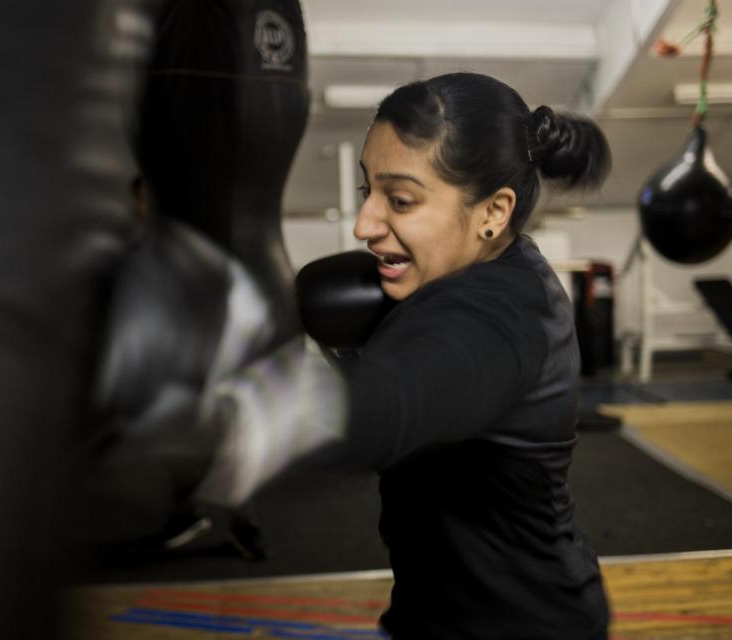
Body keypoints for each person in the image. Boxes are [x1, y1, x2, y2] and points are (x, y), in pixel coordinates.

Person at [198, 72, 612, 639]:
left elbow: (390, 403)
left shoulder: (502, 318)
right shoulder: (470, 268)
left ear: (494, 211)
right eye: (370, 191)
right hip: (432, 612)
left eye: (400, 200)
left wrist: (229, 410)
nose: (364, 224)